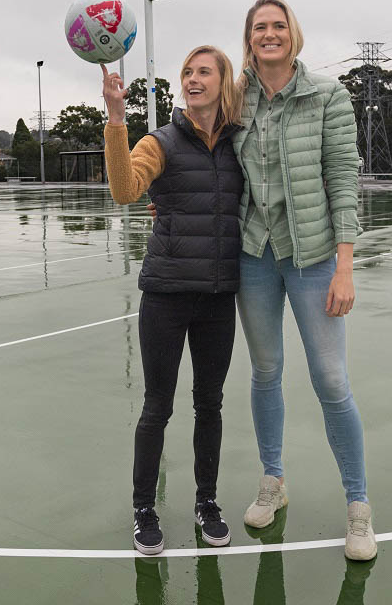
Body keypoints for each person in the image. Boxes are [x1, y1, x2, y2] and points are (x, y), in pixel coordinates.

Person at [233, 0, 376, 561]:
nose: (269, 34)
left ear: (293, 35)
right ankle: (274, 481)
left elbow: (344, 178)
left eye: (278, 26)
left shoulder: (328, 95)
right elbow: (193, 144)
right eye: (259, 27)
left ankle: (359, 509)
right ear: (248, 38)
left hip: (313, 257)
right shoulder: (234, 94)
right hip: (253, 254)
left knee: (331, 380)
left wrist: (345, 265)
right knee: (265, 371)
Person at [102, 45, 244, 555]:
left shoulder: (239, 144)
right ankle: (145, 508)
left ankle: (207, 502)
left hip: (217, 297)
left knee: (210, 405)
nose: (193, 79)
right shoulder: (159, 141)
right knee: (157, 407)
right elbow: (124, 190)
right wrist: (117, 118)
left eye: (204, 72)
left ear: (224, 82)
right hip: (165, 295)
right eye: (187, 72)